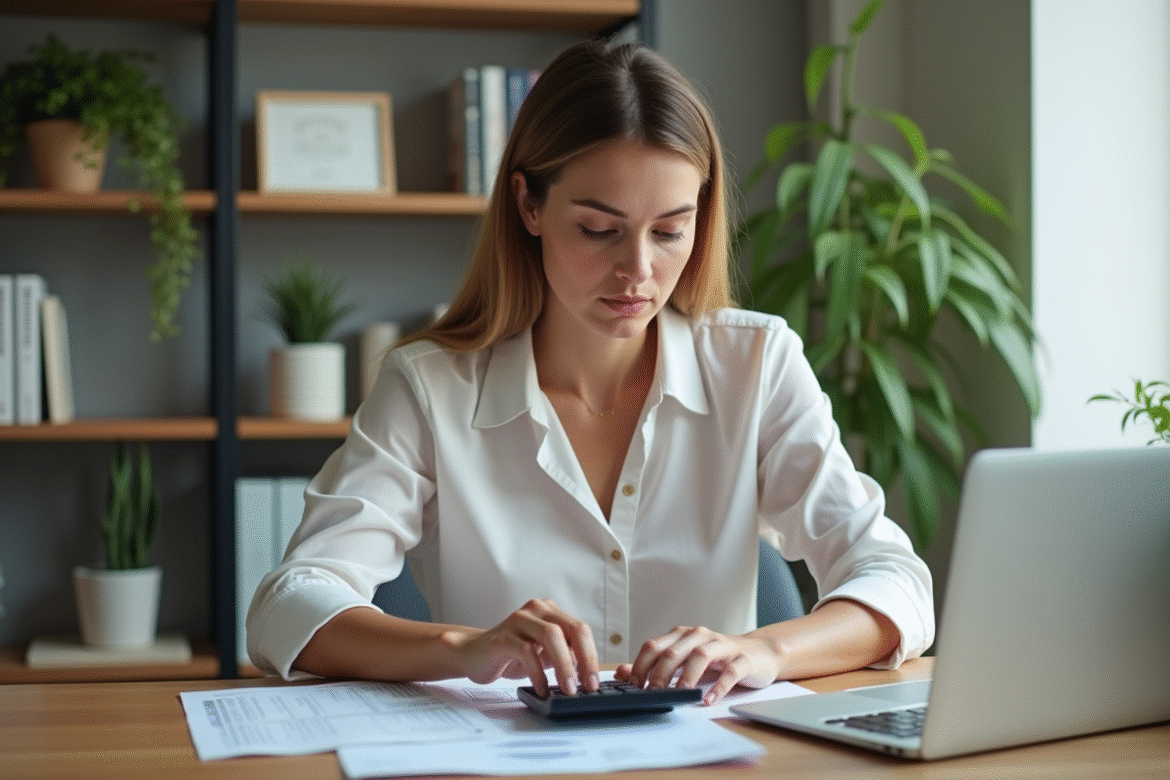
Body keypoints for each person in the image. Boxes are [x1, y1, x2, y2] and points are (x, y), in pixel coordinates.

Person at [247, 39, 933, 706]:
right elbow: (287, 606)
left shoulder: (756, 364)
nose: (638, 270)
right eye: (600, 230)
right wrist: (466, 649)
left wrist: (765, 651)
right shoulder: (430, 388)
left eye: (669, 231)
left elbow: (895, 579)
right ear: (530, 206)